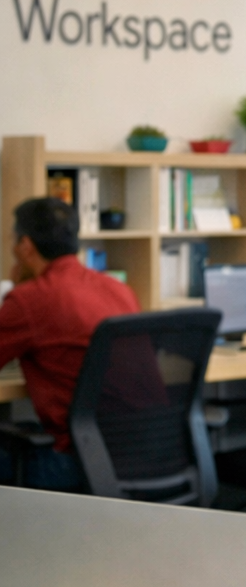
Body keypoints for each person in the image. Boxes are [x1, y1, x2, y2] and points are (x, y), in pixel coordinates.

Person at [0, 196, 140, 490]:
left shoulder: (30, 299)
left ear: (25, 246)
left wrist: (17, 290)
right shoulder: (118, 289)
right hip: (137, 454)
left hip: (74, 463)